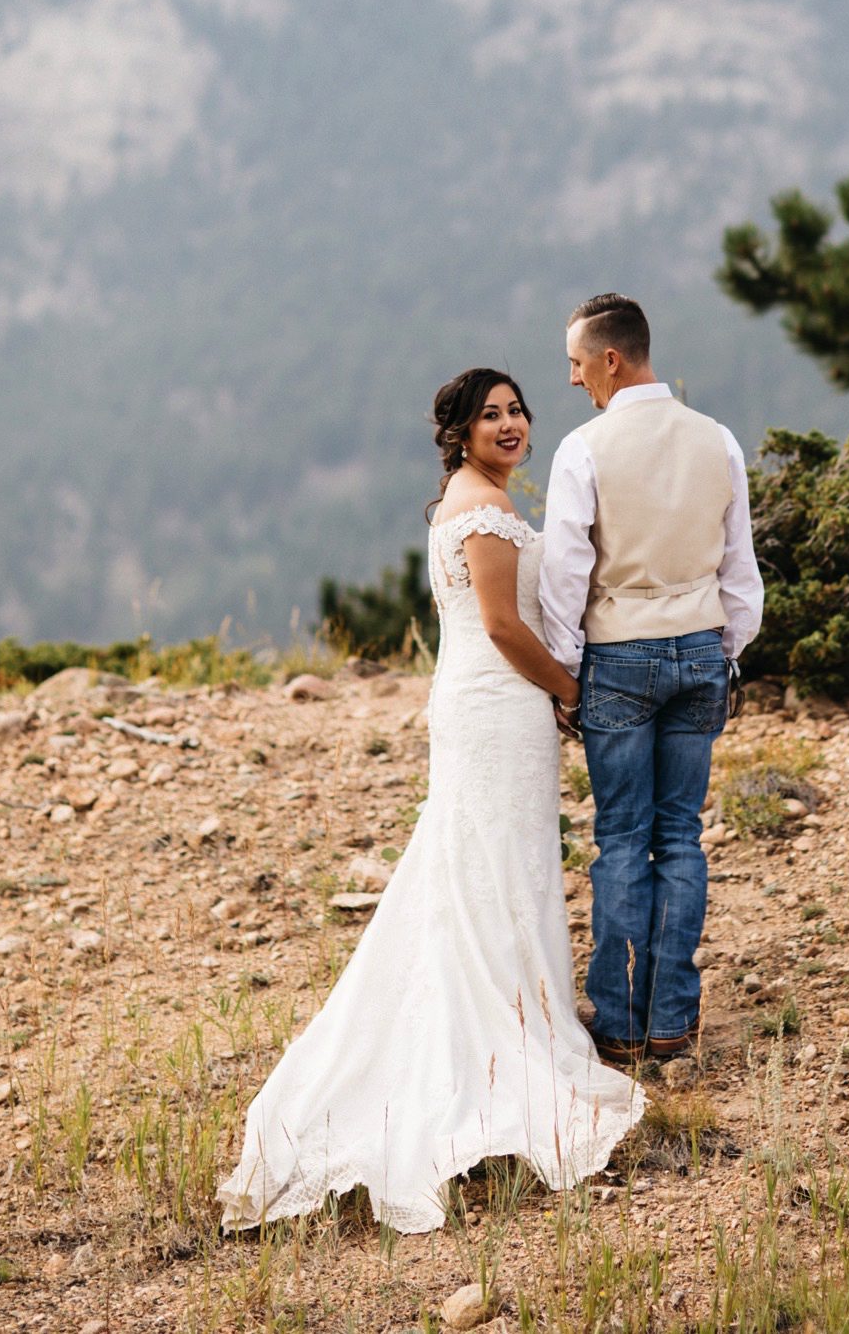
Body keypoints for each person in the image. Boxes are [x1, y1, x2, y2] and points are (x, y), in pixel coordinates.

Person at [217, 367, 642, 1234]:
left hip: (489, 705)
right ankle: (504, 1033)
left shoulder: (472, 494)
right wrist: (570, 692)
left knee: (492, 867)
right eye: (492, 415)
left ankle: (524, 1007)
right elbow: (501, 624)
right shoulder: (478, 509)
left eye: (518, 409)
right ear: (459, 430)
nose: (512, 423)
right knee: (492, 865)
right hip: (496, 705)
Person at [540, 294, 763, 1062]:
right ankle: (672, 1018)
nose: (572, 380)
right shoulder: (718, 441)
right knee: (681, 834)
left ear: (610, 359)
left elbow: (567, 576)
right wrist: (727, 652)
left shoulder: (583, 450)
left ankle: (620, 1025)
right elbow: (740, 566)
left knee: (622, 839)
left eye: (575, 364)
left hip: (620, 658)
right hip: (702, 649)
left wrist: (565, 677)